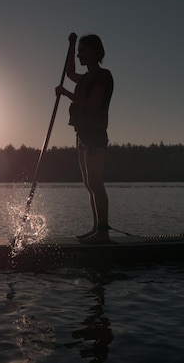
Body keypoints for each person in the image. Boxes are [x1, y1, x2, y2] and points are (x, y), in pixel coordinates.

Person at [55, 33, 114, 244]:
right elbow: (70, 72)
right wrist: (70, 45)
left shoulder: (102, 76)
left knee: (96, 183)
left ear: (94, 52)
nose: (79, 54)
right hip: (82, 136)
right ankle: (96, 228)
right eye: (78, 51)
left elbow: (92, 105)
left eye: (82, 50)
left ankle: (103, 232)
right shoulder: (86, 77)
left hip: (95, 136)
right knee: (89, 184)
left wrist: (66, 94)